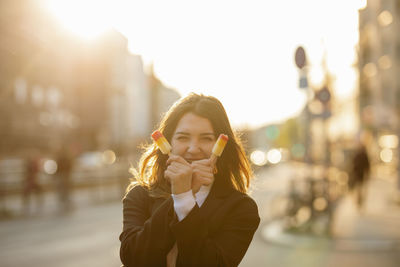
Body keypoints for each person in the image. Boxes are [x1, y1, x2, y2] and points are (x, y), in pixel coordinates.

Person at [119, 93, 260, 266]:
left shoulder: (241, 208)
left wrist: (184, 199)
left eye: (206, 138)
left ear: (221, 145)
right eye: (183, 137)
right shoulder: (139, 196)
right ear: (167, 142)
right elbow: (133, 258)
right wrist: (179, 195)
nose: (193, 149)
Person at [349, 143, 370, 210]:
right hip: (359, 175)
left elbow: (367, 165)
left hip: (360, 175)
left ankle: (359, 201)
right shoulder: (359, 155)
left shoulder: (360, 155)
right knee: (359, 189)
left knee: (360, 189)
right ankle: (359, 201)